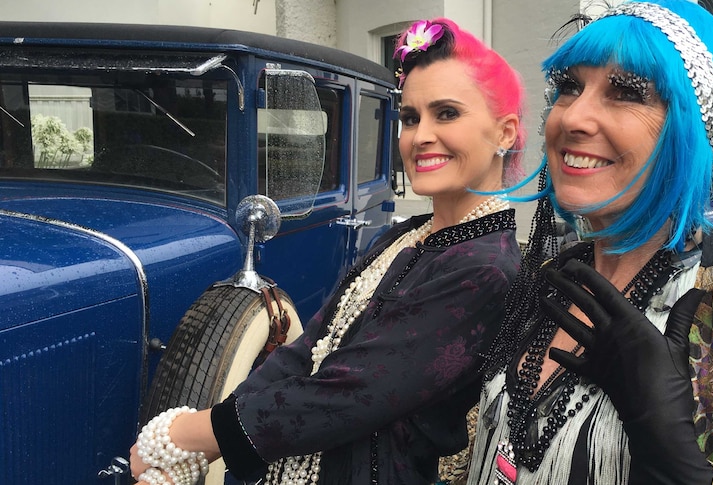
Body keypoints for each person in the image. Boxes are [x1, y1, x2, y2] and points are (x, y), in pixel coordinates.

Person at [129, 17, 526, 485]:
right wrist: (201, 438)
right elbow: (307, 349)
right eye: (411, 117)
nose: (420, 137)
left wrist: (188, 433)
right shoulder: (405, 236)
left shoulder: (483, 267)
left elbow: (351, 393)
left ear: (504, 133)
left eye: (447, 114)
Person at [468, 1, 713, 484]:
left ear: (690, 133)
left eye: (627, 92)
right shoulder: (549, 280)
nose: (573, 116)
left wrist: (670, 450)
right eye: (569, 86)